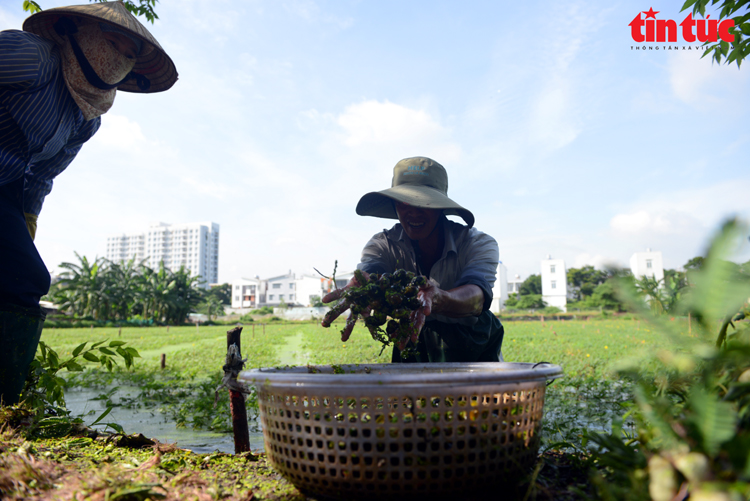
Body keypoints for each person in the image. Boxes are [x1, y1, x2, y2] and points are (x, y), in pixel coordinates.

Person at [0, 2, 178, 405]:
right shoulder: (32, 58)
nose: (122, 58)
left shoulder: (87, 119)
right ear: (73, 32)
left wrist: (27, 220)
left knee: (24, 280)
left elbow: (41, 176)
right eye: (115, 44)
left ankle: (5, 405)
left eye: (131, 55)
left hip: (6, 187)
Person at [322, 156, 504, 363]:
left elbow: (477, 296)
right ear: (394, 204)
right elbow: (372, 271)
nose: (413, 212)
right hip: (411, 337)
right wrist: (365, 287)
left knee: (480, 397)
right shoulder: (382, 244)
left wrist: (439, 298)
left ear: (440, 206)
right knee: (410, 396)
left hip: (471, 341)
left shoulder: (477, 243)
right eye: (404, 202)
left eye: (424, 202)